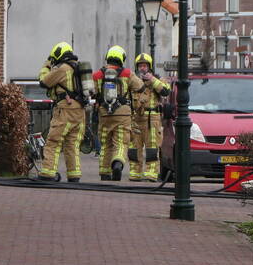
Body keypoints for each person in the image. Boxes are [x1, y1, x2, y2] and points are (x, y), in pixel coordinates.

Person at [37, 41, 88, 182]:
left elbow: (44, 82)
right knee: (72, 144)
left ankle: (47, 173)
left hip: (65, 110)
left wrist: (46, 66)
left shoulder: (63, 68)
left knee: (53, 141)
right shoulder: (78, 68)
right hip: (80, 111)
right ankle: (74, 175)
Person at [92, 45, 143, 181]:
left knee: (105, 144)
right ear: (122, 58)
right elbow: (140, 86)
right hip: (123, 114)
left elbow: (91, 92)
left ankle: (104, 173)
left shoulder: (98, 75)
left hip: (104, 114)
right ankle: (117, 163)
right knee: (121, 142)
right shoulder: (127, 73)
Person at [128, 53, 171, 182]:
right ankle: (135, 173)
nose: (142, 68)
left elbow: (166, 91)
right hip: (136, 119)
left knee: (152, 148)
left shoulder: (157, 79)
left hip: (152, 120)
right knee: (134, 148)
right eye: (140, 66)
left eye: (145, 65)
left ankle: (151, 174)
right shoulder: (133, 81)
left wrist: (152, 79)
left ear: (149, 67)